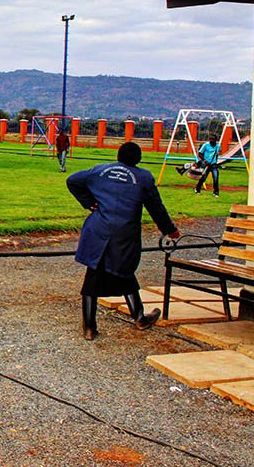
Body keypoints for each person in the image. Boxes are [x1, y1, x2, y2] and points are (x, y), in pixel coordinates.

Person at [67, 142, 181, 341]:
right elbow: (156, 208)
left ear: (118, 156)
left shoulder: (99, 171)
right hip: (124, 232)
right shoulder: (144, 178)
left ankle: (89, 327)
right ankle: (139, 318)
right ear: (139, 158)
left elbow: (72, 180)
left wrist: (89, 203)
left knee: (95, 273)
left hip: (98, 229)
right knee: (124, 270)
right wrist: (170, 230)